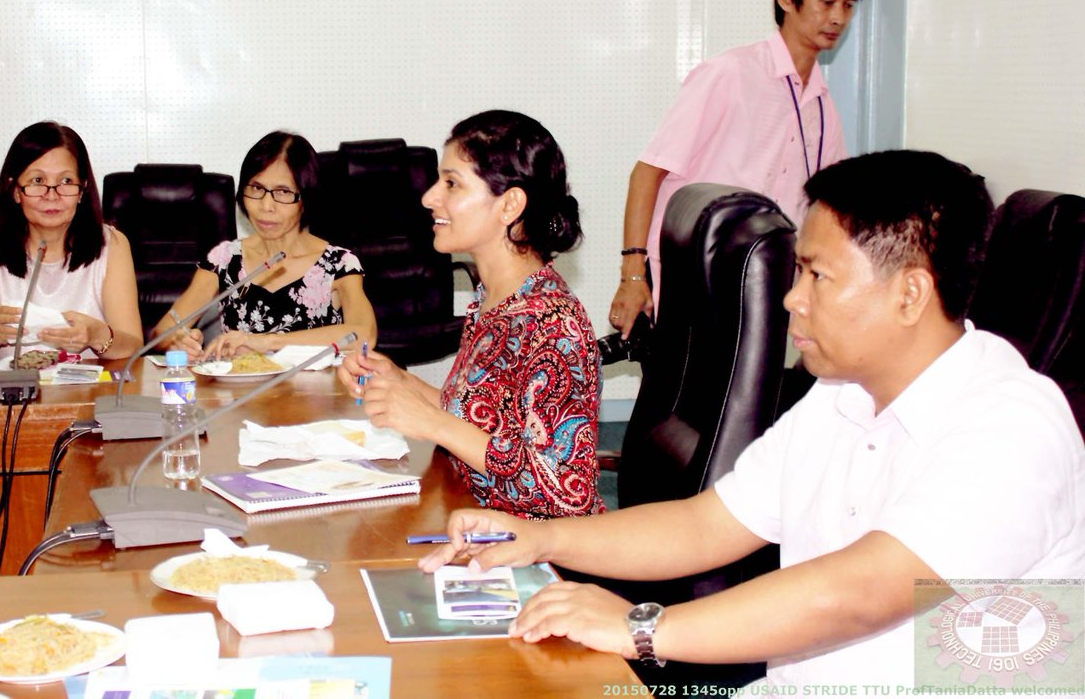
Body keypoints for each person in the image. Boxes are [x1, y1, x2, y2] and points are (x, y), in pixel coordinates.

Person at [418, 151, 1085, 688]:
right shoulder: (839, 394)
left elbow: (860, 593)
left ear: (909, 293)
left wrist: (645, 629)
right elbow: (706, 525)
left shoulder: (1012, 428)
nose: (793, 298)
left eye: (817, 276)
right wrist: (541, 541)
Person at [338, 110, 604, 519]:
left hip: (533, 554)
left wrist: (431, 422)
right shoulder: (494, 298)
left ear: (509, 205)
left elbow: (566, 492)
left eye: (451, 183)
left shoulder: (553, 324)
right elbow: (480, 419)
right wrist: (400, 382)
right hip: (471, 514)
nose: (429, 197)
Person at [609, 0, 869, 336]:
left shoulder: (822, 104)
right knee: (688, 400)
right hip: (693, 278)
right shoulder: (729, 74)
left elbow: (831, 205)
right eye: (827, 1)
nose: (838, 18)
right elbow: (647, 173)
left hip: (766, 284)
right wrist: (633, 276)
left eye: (849, 5)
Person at [152, 131, 376, 360]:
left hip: (315, 392)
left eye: (283, 192)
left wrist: (268, 342)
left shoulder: (338, 264)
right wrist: (177, 341)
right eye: (257, 189)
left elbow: (364, 334)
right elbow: (162, 331)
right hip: (241, 392)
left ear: (307, 198)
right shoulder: (225, 260)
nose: (266, 206)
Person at [0, 121, 142, 364]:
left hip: (91, 395)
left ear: (82, 190)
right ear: (15, 190)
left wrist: (97, 335)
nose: (52, 195)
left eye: (66, 182)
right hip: (13, 396)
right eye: (38, 181)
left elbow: (134, 346)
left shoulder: (112, 245)